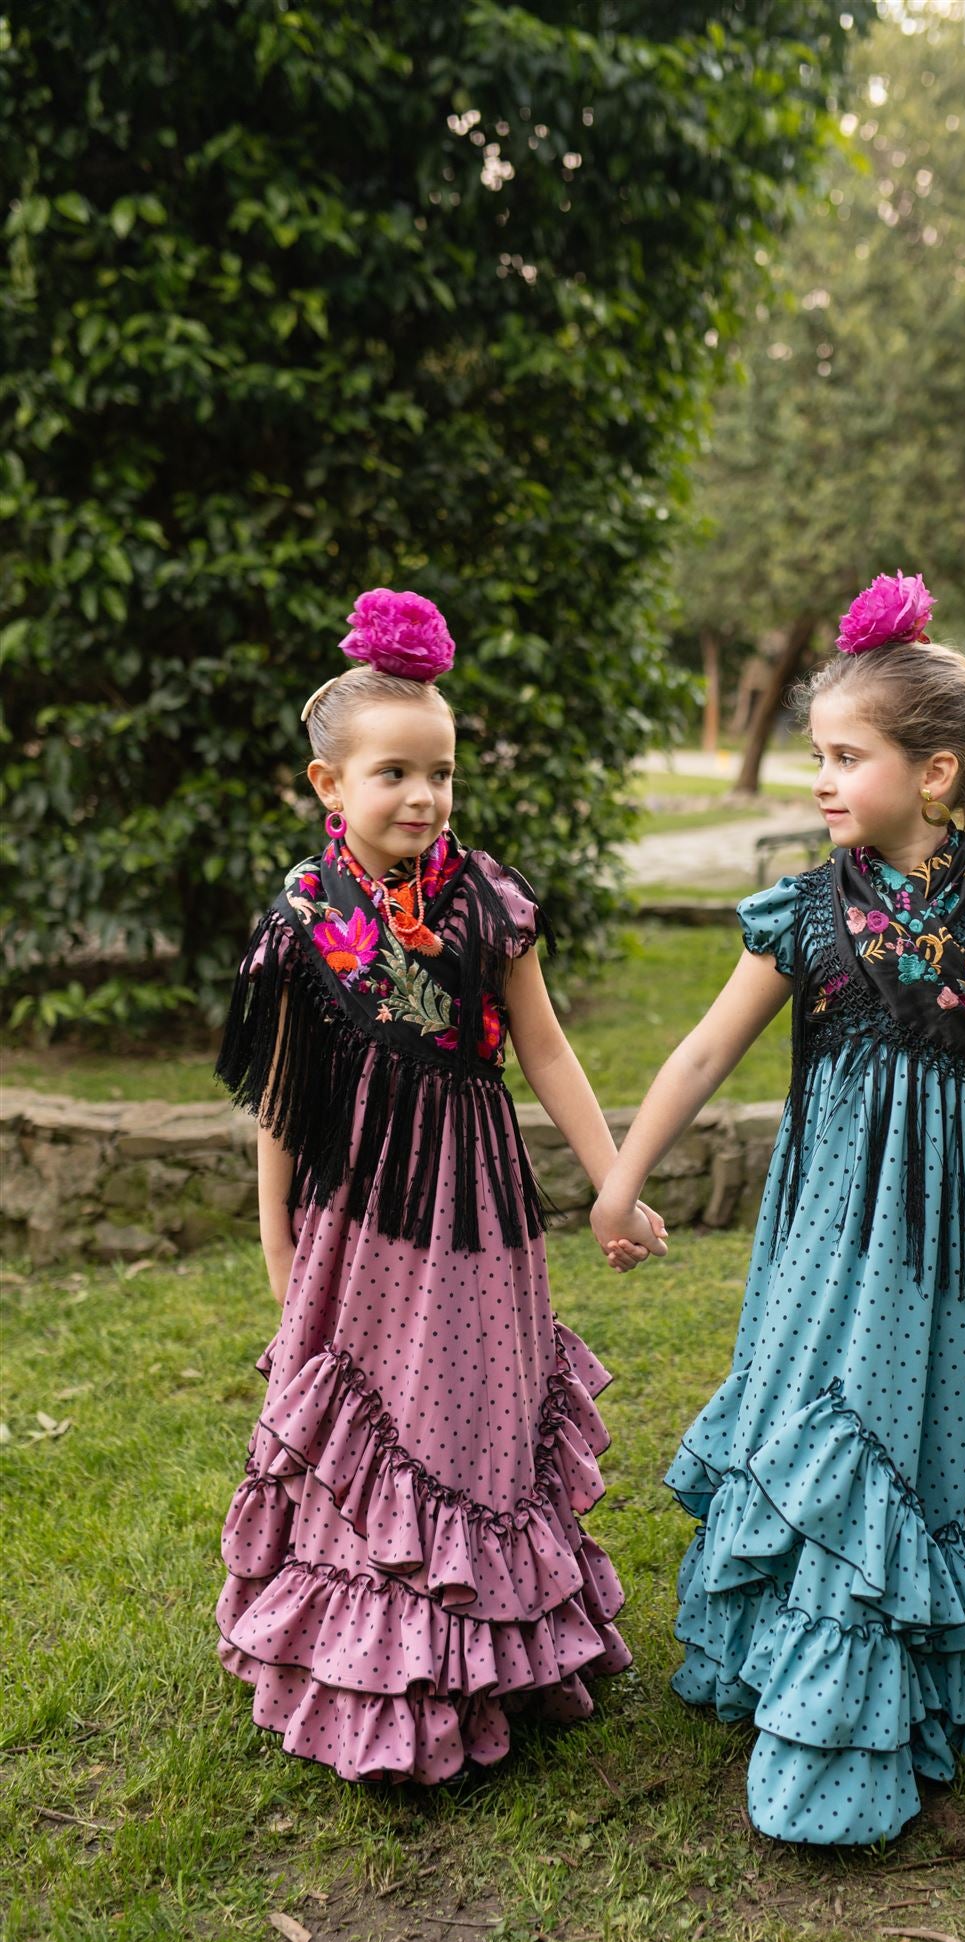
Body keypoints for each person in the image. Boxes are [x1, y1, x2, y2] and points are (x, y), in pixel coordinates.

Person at [592, 571, 965, 1846]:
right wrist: (621, 1170)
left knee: (955, 1442)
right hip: (833, 1247)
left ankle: (963, 1689)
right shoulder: (807, 913)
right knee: (838, 1436)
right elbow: (705, 1051)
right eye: (816, 753)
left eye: (843, 755)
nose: (818, 779)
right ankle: (822, 1713)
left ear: (934, 775)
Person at [214, 587, 663, 1783]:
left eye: (443, 774)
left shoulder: (488, 901)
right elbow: (278, 1098)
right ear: (330, 787)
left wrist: (613, 1178)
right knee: (372, 1415)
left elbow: (549, 1049)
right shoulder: (305, 918)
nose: (423, 797)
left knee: (472, 1411)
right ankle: (370, 1663)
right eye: (394, 774)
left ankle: (495, 1652)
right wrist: (277, 1246)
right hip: (358, 1216)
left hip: (478, 1211)